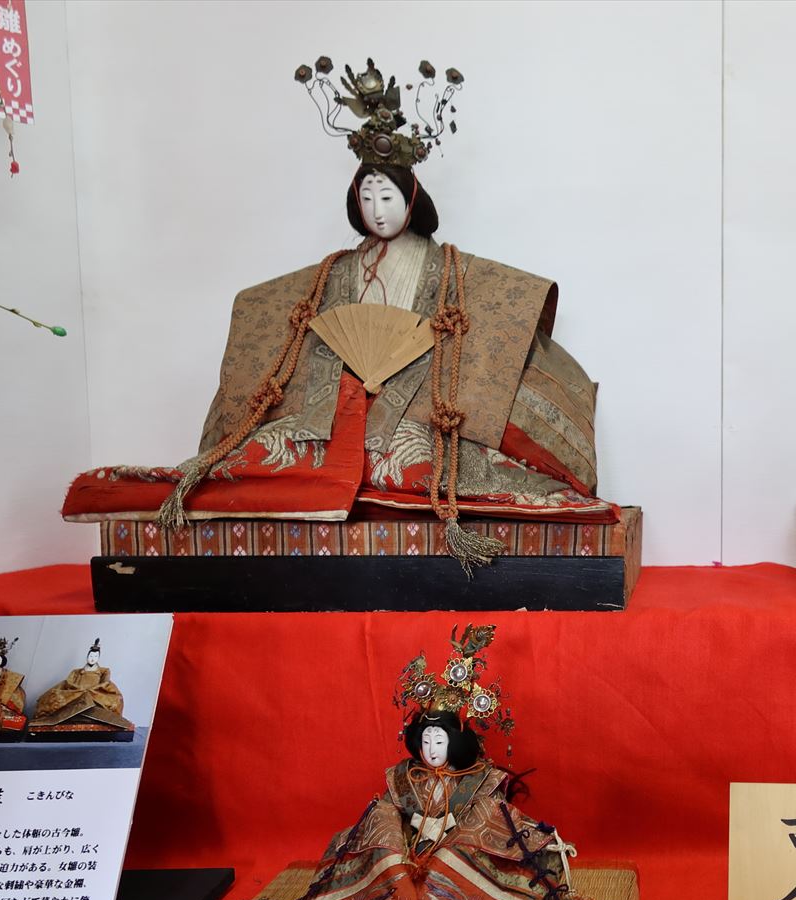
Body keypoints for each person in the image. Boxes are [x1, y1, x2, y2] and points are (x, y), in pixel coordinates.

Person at [60, 58, 612, 570]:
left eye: (387, 197)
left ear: (412, 200)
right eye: (367, 197)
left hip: (421, 408)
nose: (377, 209)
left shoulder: (452, 271)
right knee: (263, 454)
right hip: (337, 408)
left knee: (446, 459)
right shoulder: (332, 273)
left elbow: (489, 322)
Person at [268, 625, 583, 900]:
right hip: (409, 851)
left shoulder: (479, 778)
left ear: (455, 743)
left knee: (481, 825)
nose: (432, 750)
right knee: (380, 815)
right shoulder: (404, 776)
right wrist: (400, 827)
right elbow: (389, 813)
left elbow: (490, 819)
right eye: (427, 741)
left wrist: (451, 831)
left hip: (457, 851)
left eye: (440, 741)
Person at [29, 639, 135, 741]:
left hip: (95, 695)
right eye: (91, 656)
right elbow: (69, 682)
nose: (92, 658)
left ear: (98, 658)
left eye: (95, 656)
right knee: (54, 697)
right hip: (76, 693)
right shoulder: (76, 672)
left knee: (113, 701)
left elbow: (105, 683)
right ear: (87, 656)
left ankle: (88, 713)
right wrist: (79, 690)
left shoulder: (103, 671)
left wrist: (91, 690)